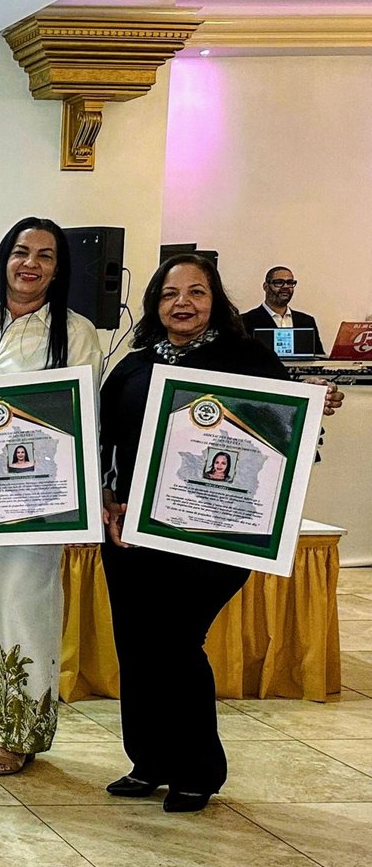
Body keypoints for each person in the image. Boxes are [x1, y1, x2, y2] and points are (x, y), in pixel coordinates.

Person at [100, 252, 342, 812]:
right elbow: (103, 441)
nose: (182, 303)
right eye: (169, 294)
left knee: (176, 641)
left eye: (196, 292)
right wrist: (109, 503)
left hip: (212, 537)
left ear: (216, 300)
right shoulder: (133, 366)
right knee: (137, 643)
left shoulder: (248, 359)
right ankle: (149, 760)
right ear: (154, 304)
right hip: (134, 534)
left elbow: (285, 428)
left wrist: (317, 403)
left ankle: (197, 770)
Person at [0, 217, 103, 777]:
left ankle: (21, 729)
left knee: (24, 603)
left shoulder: (76, 332)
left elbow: (80, 411)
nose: (31, 264)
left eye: (45, 256)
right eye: (21, 252)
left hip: (37, 497)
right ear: (4, 258)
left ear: (58, 269)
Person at [241, 266, 319, 353]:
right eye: (279, 282)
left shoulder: (306, 321)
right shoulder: (245, 321)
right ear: (266, 287)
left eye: (290, 283)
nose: (285, 287)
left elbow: (318, 356)